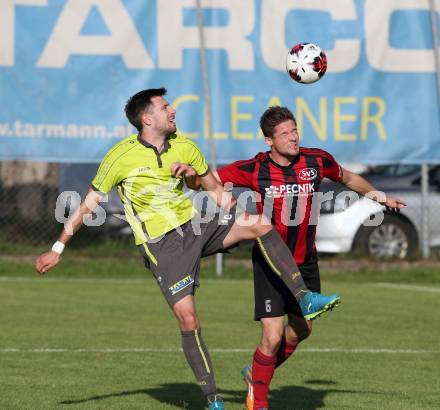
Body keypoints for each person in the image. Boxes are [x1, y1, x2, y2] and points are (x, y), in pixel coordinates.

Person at [35, 90, 340, 410]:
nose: (173, 110)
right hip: (162, 247)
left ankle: (304, 297)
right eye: (165, 107)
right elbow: (87, 205)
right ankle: (213, 399)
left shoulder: (185, 146)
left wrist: (226, 201)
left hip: (195, 228)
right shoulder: (119, 157)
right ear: (147, 118)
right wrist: (58, 248)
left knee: (259, 223)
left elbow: (213, 188)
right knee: (189, 320)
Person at [211, 106, 406, 410]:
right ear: (268, 141)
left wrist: (380, 197)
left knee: (303, 329)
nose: (293, 137)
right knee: (273, 336)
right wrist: (224, 200)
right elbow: (210, 179)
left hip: (306, 261)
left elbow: (349, 177)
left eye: (294, 130)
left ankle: (256, 373)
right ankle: (258, 400)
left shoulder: (316, 160)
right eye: (284, 133)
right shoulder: (254, 168)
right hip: (271, 262)